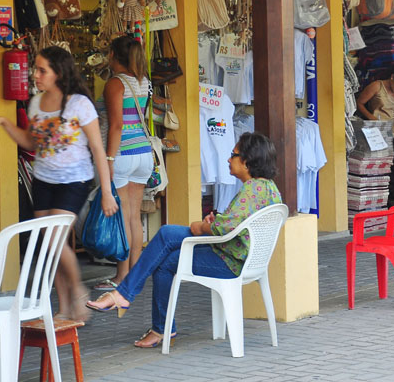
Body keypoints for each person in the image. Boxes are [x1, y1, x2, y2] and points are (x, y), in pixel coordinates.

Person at [86, 132, 282, 348]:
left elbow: (224, 228)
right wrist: (215, 222)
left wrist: (201, 227)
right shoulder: (269, 188)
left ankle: (128, 298)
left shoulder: (252, 189)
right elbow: (236, 223)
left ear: (247, 162)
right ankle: (155, 323)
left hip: (229, 262)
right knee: (166, 254)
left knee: (166, 236)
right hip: (245, 259)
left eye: (233, 155)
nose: (228, 159)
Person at [0, 46, 118, 321]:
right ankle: (65, 308)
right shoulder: (36, 103)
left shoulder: (79, 103)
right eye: (35, 69)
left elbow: (98, 150)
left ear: (59, 72)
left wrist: (107, 193)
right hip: (43, 181)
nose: (35, 75)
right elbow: (32, 143)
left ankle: (78, 292)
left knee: (53, 240)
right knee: (51, 247)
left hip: (74, 181)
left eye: (42, 70)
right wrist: (5, 122)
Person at [93, 36, 154, 290]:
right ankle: (134, 276)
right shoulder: (144, 82)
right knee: (134, 217)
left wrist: (108, 158)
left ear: (112, 55)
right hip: (143, 153)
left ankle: (121, 277)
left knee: (123, 217)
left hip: (123, 154)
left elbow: (116, 125)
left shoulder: (115, 84)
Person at [356, 65, 394, 215]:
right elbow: (359, 103)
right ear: (392, 77)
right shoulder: (377, 86)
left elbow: (391, 116)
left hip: (392, 134)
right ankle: (386, 209)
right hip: (376, 133)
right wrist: (372, 118)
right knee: (379, 173)